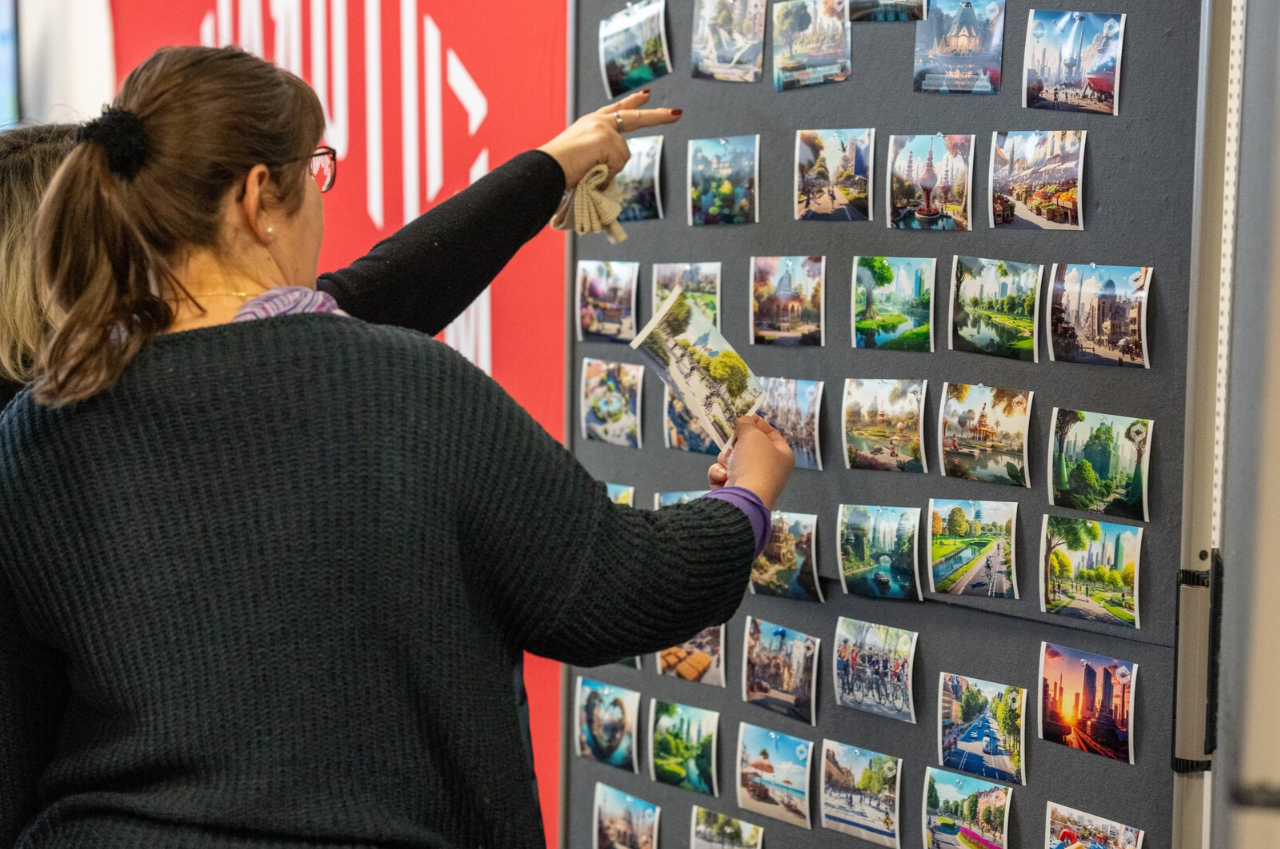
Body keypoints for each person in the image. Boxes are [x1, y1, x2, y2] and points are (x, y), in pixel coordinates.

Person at [0, 46, 794, 849]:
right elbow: (616, 587)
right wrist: (744, 501)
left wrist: (547, 169)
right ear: (257, 199)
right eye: (316, 170)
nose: (321, 198)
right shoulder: (403, 386)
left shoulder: (40, 428)